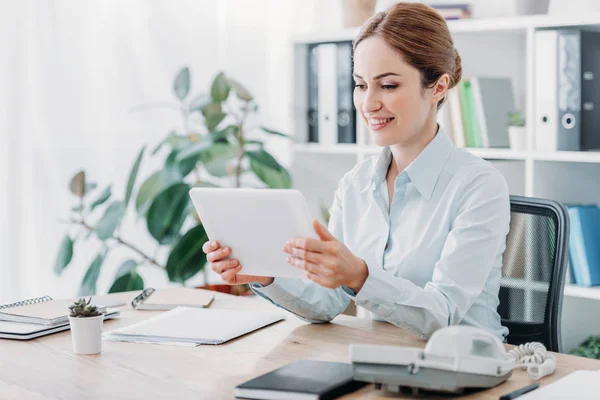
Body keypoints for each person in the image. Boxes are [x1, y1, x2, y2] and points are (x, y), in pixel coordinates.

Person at [202, 2, 510, 340]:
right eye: (361, 85)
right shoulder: (356, 184)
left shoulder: (479, 186)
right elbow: (328, 302)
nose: (368, 103)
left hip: (465, 368)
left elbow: (444, 313)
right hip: (378, 362)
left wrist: (359, 276)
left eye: (388, 86)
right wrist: (265, 276)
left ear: (438, 87)